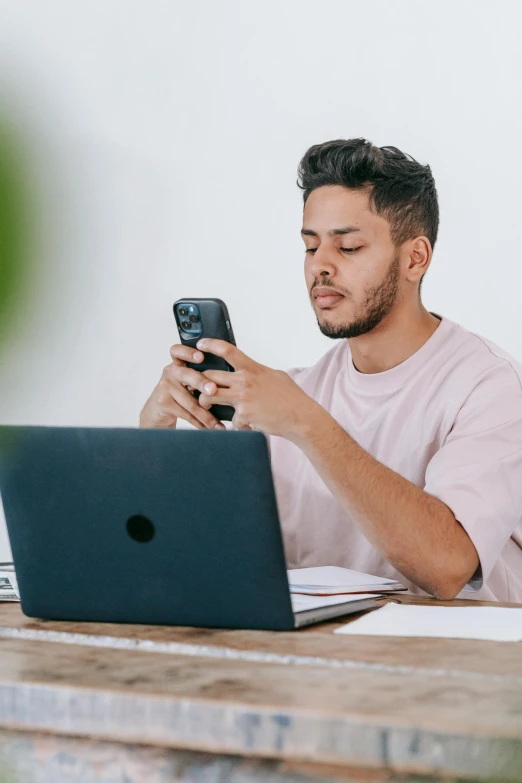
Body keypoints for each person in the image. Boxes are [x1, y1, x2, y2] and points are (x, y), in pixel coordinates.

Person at [140, 138, 522, 602]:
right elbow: (194, 563)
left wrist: (308, 424)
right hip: (317, 665)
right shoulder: (288, 396)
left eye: (348, 246)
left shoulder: (490, 387)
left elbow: (448, 568)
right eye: (311, 246)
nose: (320, 266)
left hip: (452, 665)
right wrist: (153, 436)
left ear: (415, 258)